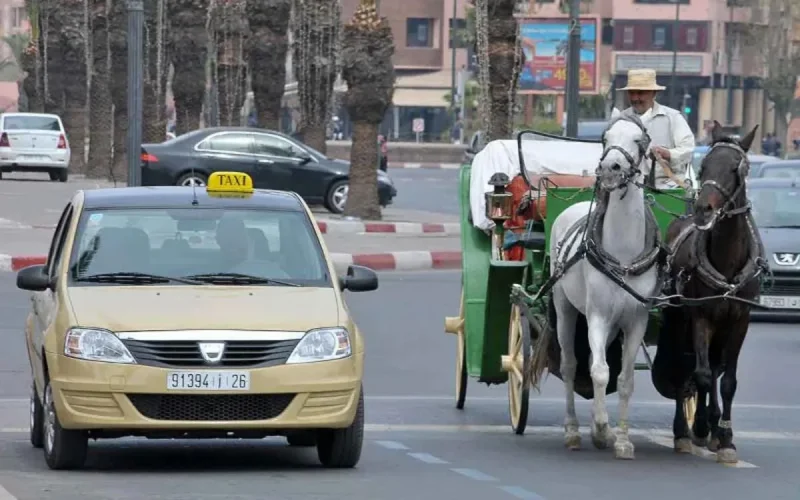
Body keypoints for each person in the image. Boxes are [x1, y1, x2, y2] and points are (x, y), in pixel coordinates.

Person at [618, 68, 695, 189]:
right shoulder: (621, 120)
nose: (635, 98)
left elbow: (688, 150)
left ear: (654, 93)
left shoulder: (673, 118)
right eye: (632, 93)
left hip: (667, 186)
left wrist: (668, 154)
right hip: (628, 187)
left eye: (640, 93)